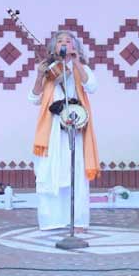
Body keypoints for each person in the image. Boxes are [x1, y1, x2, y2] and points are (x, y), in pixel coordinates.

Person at [28, 31, 99, 232]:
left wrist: (76, 64)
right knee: (49, 172)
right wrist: (40, 75)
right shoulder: (50, 70)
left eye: (68, 41)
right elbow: (34, 99)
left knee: (76, 171)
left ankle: (78, 221)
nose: (64, 44)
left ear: (75, 47)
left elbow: (91, 87)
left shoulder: (82, 68)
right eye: (60, 41)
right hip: (52, 129)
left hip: (75, 127)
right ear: (53, 47)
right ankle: (52, 220)